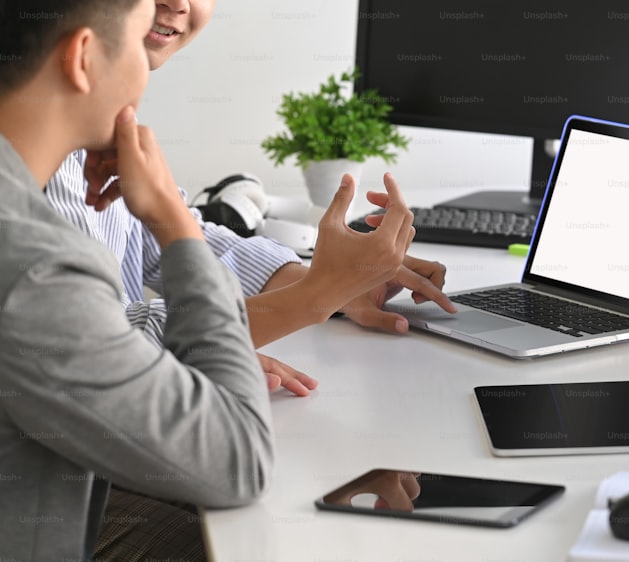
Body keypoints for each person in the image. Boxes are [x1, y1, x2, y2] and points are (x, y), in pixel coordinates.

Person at [0, 0, 416, 559]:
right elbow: (236, 460)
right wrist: (306, 293)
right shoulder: (30, 261)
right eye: (133, 32)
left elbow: (124, 269)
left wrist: (315, 280)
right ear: (83, 57)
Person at [46, 0, 457, 397]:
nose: (178, 3)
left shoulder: (94, 130)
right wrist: (307, 300)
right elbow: (95, 349)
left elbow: (152, 244)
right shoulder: (41, 161)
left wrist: (333, 283)